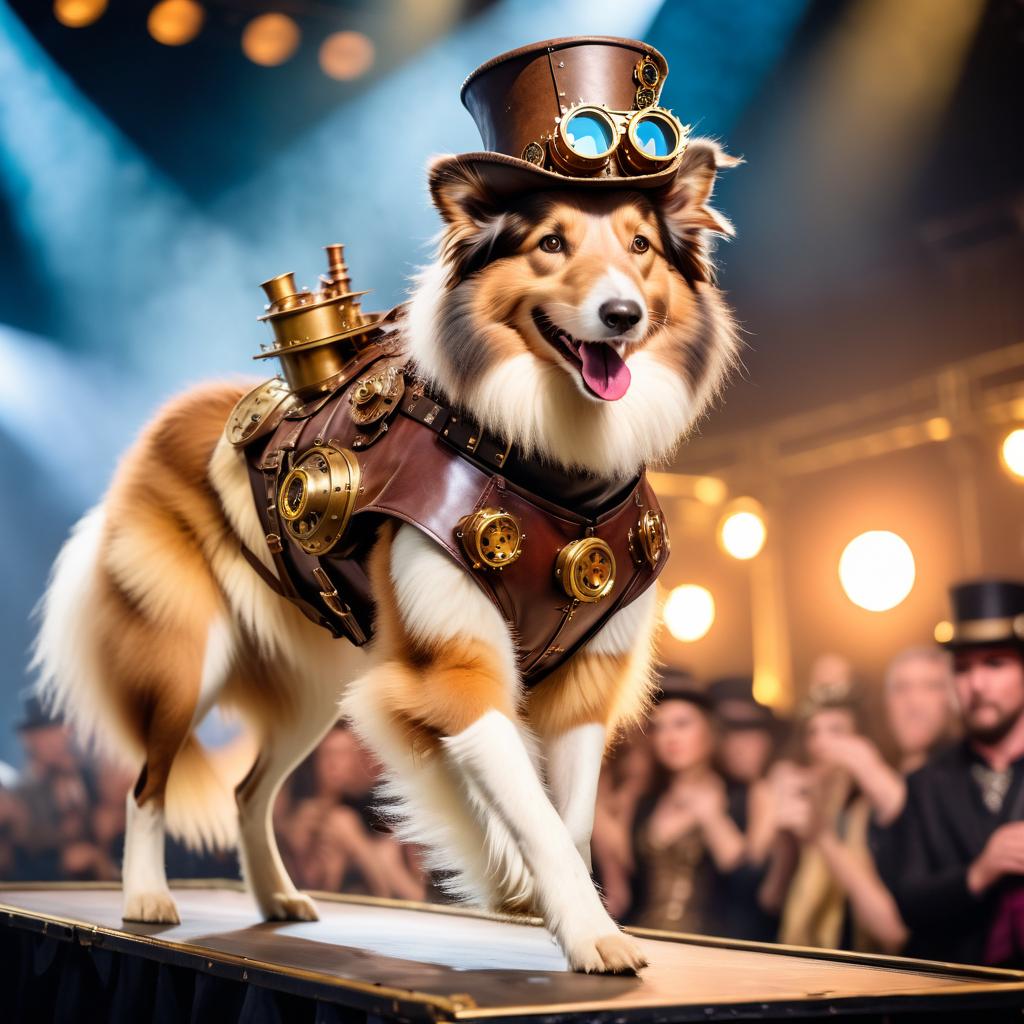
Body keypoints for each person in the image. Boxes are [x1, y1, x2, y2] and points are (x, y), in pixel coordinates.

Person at [881, 581, 1024, 966]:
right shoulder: (926, 783)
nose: (976, 685)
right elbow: (908, 902)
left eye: (994, 664)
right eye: (962, 669)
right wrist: (979, 872)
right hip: (964, 1000)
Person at [764, 678, 907, 953]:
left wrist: (822, 838)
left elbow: (893, 932)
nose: (821, 741)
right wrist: (784, 840)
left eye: (836, 730)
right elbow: (771, 901)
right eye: (812, 732)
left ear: (861, 741)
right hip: (807, 966)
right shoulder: (810, 802)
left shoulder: (873, 809)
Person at [626, 685, 746, 933]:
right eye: (659, 727)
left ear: (710, 731)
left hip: (712, 946)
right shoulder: (646, 802)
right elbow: (626, 880)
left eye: (682, 724)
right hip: (645, 937)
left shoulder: (738, 796)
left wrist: (712, 817)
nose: (670, 737)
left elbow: (744, 879)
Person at [706, 675, 783, 941]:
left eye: (751, 732)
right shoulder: (713, 793)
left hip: (766, 947)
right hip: (712, 943)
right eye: (729, 734)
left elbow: (765, 893)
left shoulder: (782, 790)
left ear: (768, 739)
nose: (739, 746)